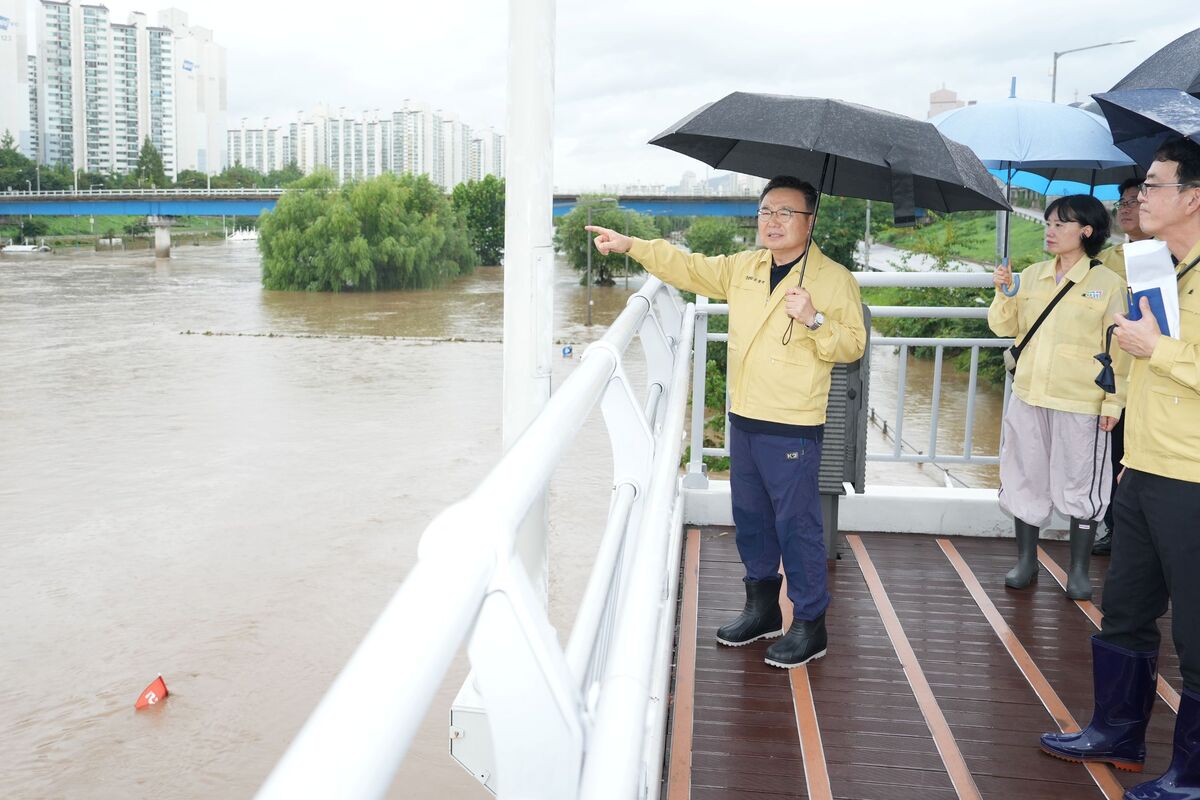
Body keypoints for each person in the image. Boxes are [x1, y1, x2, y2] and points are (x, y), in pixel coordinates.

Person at [585, 175, 866, 669]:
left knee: (797, 525)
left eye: (785, 212)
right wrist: (632, 246)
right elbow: (689, 266)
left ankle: (809, 623)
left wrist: (815, 319)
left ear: (809, 221)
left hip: (793, 421)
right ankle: (762, 609)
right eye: (766, 211)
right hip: (745, 414)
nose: (772, 221)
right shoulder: (745, 267)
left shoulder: (834, 279)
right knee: (751, 518)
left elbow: (853, 346)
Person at [1039, 137, 1200, 798]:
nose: (1137, 197)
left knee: (1195, 631)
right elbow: (1141, 367)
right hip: (1146, 466)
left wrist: (1157, 348)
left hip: (1194, 478)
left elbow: (1165, 356)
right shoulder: (1161, 267)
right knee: (1126, 608)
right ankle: (1116, 732)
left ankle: (1191, 775)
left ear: (1193, 197)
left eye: (1154, 185)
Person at [988, 194, 1126, 600]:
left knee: (1082, 482)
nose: (1050, 230)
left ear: (1086, 231)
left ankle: (1078, 570)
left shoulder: (1108, 284)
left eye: (1060, 224)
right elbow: (1003, 328)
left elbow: (1119, 352)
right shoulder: (1032, 276)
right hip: (1029, 395)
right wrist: (1003, 292)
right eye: (1049, 223)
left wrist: (1114, 402)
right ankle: (1026, 561)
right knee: (1025, 475)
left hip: (1081, 402)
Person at [1093, 178, 1153, 556]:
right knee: (1114, 454)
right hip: (1115, 371)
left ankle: (1146, 535)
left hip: (1152, 369)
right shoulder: (1107, 260)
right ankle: (1115, 528)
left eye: (1135, 201)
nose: (1126, 208)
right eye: (1122, 202)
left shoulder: (1173, 258)